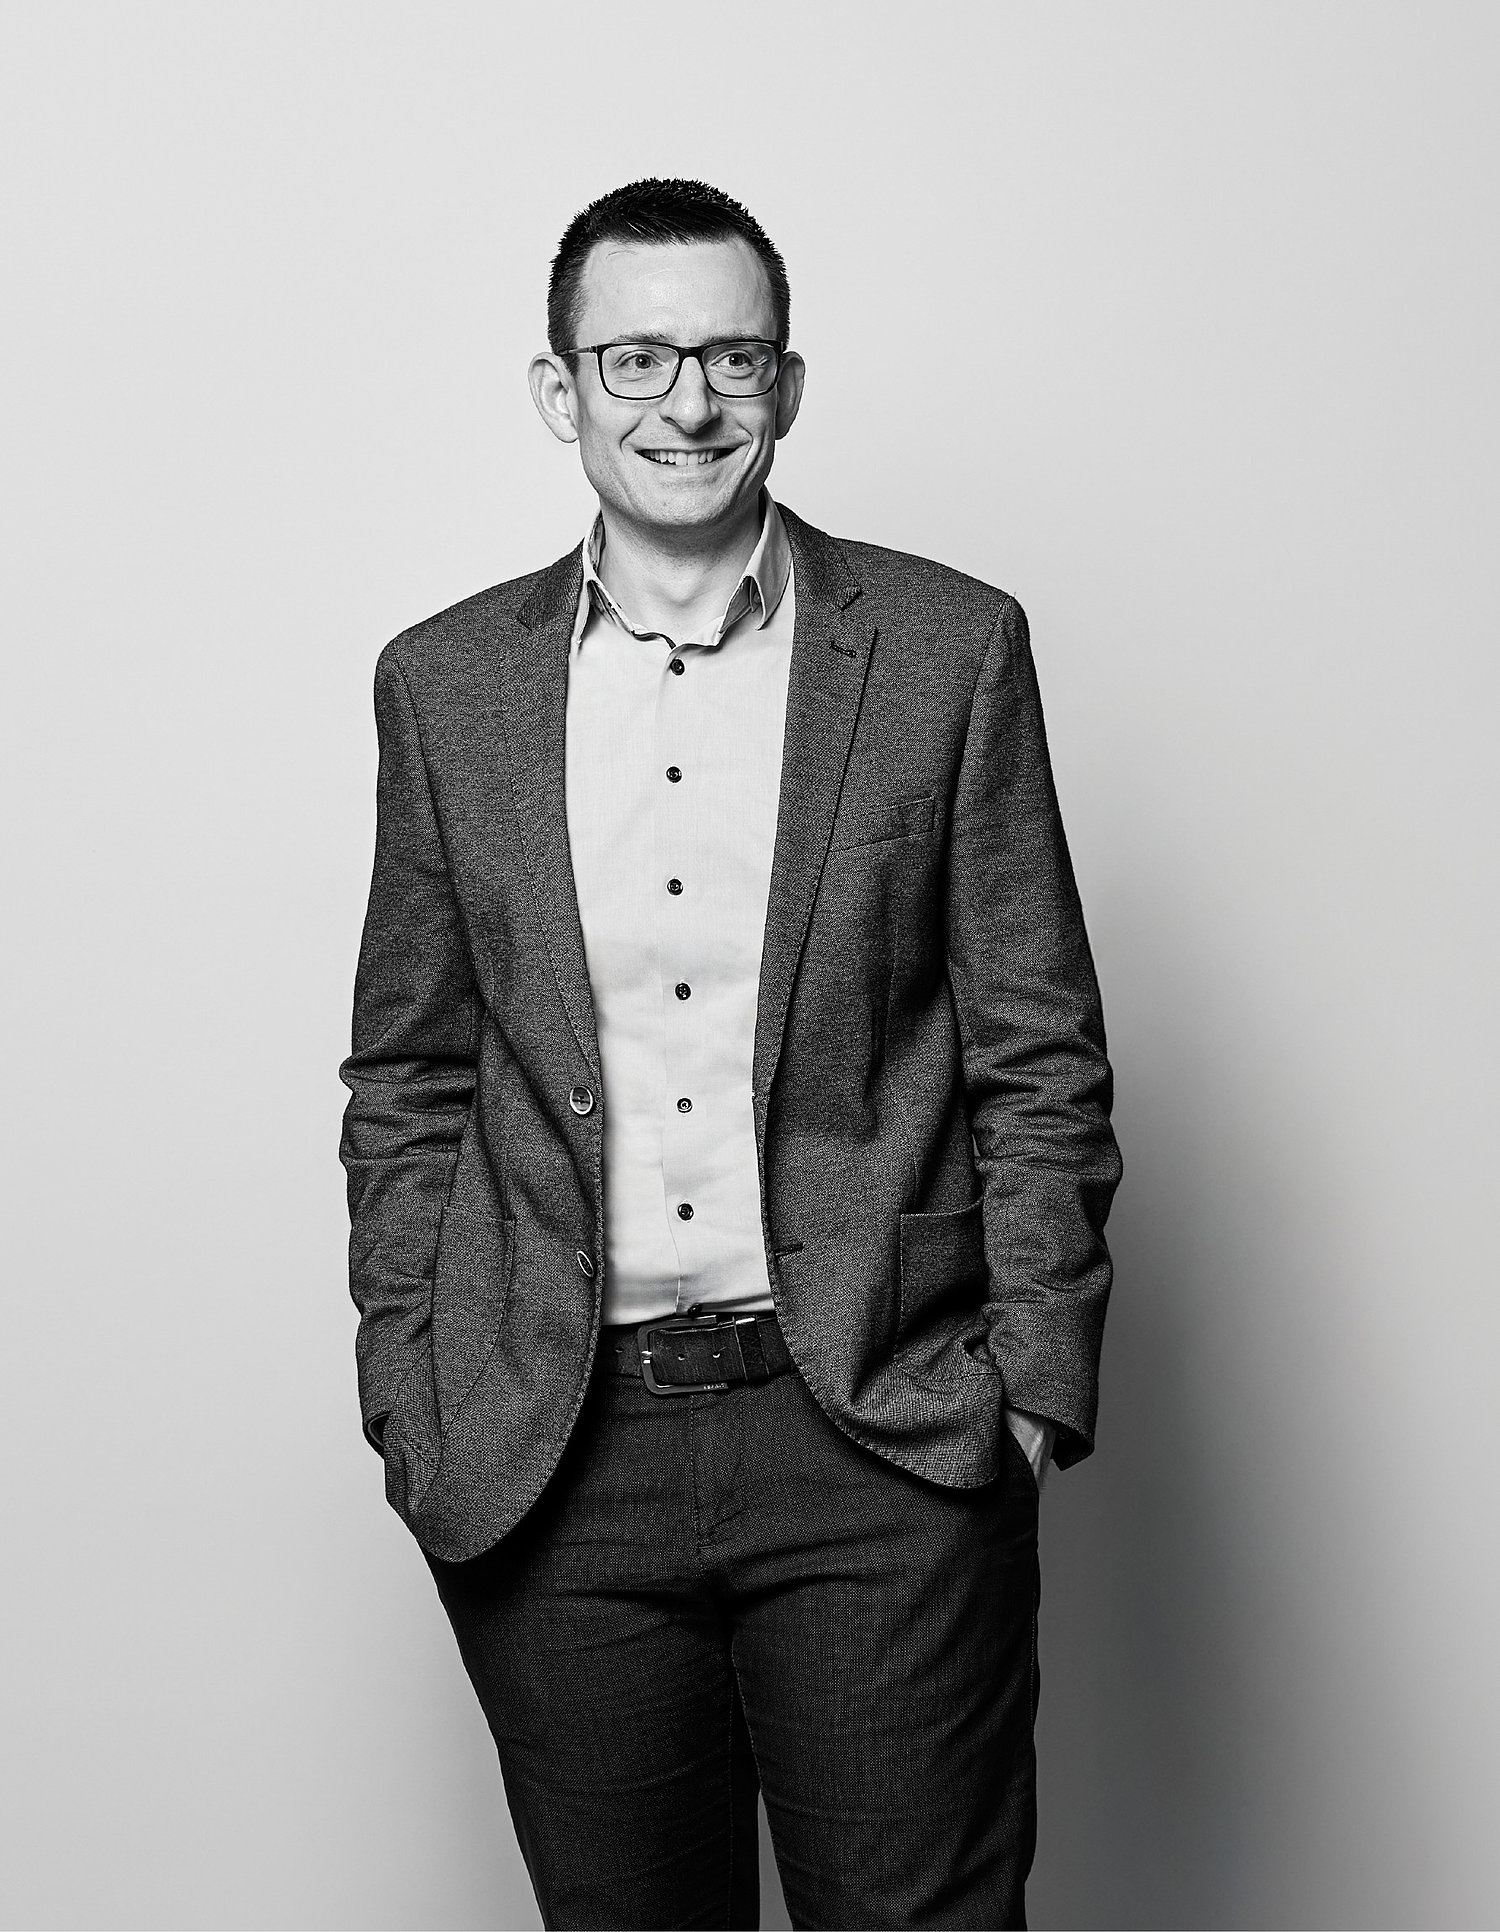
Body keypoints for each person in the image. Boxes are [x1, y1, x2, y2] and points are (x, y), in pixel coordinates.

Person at [339, 176, 1121, 1930]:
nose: (686, 401)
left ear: (787, 385)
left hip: (882, 1430)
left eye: (731, 357)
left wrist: (1030, 1388)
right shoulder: (444, 684)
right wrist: (415, 1388)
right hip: (553, 1451)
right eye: (636, 358)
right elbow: (410, 1071)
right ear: (560, 390)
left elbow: (1040, 1051)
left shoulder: (946, 649)